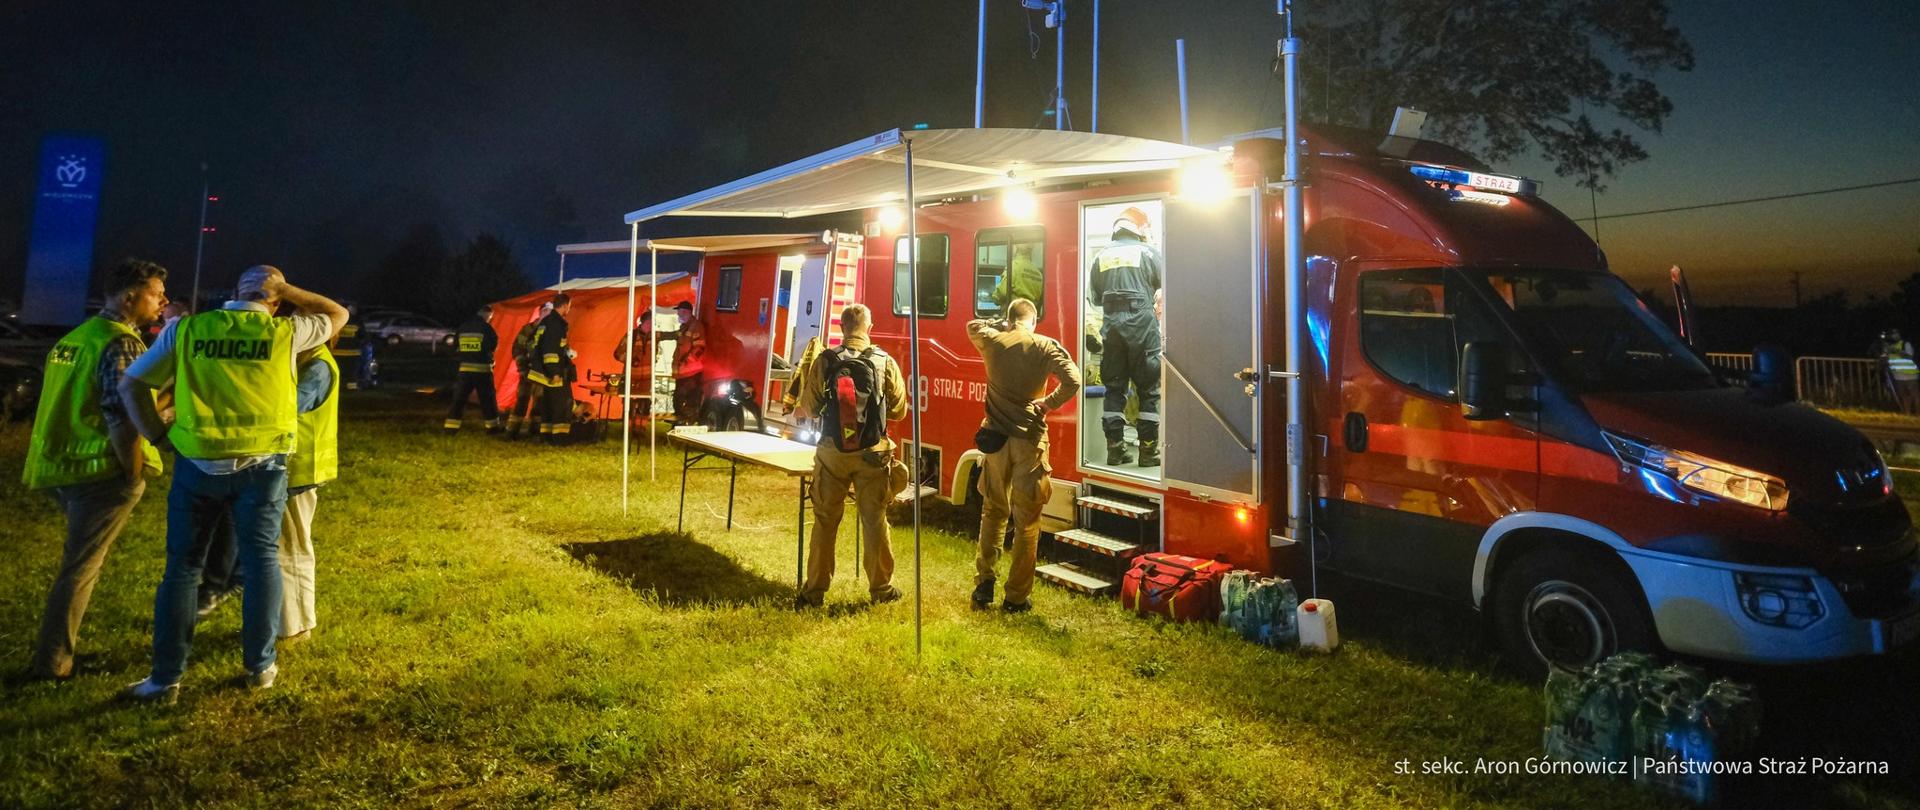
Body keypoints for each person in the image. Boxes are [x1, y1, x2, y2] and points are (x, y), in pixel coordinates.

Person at [117, 265, 346, 702]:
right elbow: (338, 313)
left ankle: (165, 678)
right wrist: (288, 288)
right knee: (261, 564)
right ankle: (260, 667)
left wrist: (159, 436)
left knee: (182, 570)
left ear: (232, 292)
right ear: (274, 301)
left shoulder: (185, 329)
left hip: (197, 465)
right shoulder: (285, 334)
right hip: (262, 468)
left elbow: (132, 385)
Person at [23, 259, 170, 680]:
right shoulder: (121, 343)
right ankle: (53, 664)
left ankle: (55, 657)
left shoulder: (76, 337)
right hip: (100, 473)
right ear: (130, 298)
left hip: (59, 466)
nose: (163, 302)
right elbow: (121, 416)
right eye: (156, 294)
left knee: (78, 562)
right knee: (81, 567)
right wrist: (133, 471)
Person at [965, 298, 1080, 612]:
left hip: (995, 442)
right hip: (1029, 442)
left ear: (1010, 318)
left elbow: (972, 326)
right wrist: (1049, 402)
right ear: (1035, 320)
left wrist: (1003, 326)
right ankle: (1016, 597)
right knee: (1027, 521)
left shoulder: (994, 341)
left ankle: (984, 585)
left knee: (993, 511)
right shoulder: (1045, 346)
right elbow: (1074, 380)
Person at [793, 304, 908, 608]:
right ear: (869, 327)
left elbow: (811, 408)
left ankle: (815, 591)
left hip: (833, 453)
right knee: (875, 521)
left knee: (825, 521)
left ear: (842, 328)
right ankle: (881, 589)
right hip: (872, 454)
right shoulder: (885, 361)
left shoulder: (826, 361)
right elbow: (898, 410)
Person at [1087, 206, 1164, 467]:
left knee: (1114, 390)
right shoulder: (1149, 252)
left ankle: (1115, 450)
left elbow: (1096, 298)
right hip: (1143, 329)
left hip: (1112, 331)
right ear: (1141, 230)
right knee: (1149, 390)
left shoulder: (1100, 257)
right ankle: (1149, 451)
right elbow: (1166, 286)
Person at [279, 343, 339, 639]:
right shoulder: (304, 361)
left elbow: (290, 406)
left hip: (298, 467)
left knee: (291, 547)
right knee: (283, 547)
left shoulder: (316, 366)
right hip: (290, 465)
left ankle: (297, 626)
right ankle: (287, 622)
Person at [526, 294, 577, 444]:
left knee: (548, 404)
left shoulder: (547, 322)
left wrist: (567, 352)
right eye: (569, 305)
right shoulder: (556, 323)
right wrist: (554, 372)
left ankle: (547, 436)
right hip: (554, 372)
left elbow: (548, 345)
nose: (569, 308)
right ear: (565, 305)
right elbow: (550, 350)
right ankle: (559, 438)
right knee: (561, 404)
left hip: (545, 369)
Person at [443, 304, 502, 433]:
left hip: (465, 370)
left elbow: (455, 347)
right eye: (490, 317)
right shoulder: (486, 328)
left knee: (459, 399)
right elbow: (492, 345)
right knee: (487, 400)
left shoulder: (463, 327)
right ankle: (493, 428)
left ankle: (451, 427)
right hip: (482, 370)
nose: (490, 319)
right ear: (487, 314)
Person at [504, 301, 552, 438]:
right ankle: (512, 431)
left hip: (542, 373)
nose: (548, 315)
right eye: (546, 311)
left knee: (540, 402)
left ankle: (535, 430)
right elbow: (517, 349)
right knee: (522, 400)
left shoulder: (551, 331)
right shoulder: (527, 330)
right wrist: (522, 368)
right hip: (527, 371)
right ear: (541, 312)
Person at [668, 300, 707, 423]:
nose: (678, 315)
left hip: (691, 373)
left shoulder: (696, 327)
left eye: (680, 312)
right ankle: (680, 423)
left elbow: (700, 348)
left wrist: (686, 360)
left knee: (686, 399)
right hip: (683, 373)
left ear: (687, 312)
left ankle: (685, 424)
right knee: (678, 398)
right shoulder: (684, 327)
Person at [612, 310, 653, 423]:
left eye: (652, 323)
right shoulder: (632, 335)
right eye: (649, 323)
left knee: (645, 404)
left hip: (646, 380)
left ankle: (640, 430)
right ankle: (627, 429)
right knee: (628, 404)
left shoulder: (654, 337)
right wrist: (630, 360)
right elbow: (617, 353)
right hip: (631, 377)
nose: (651, 326)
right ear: (642, 323)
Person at [1875, 329, 1919, 414]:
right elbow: (1885, 358)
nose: (1894, 336)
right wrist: (1882, 357)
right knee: (1904, 396)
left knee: (1915, 396)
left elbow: (1909, 356)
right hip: (1898, 376)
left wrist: (1895, 351)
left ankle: (1918, 414)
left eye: (1895, 334)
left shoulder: (1905, 344)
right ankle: (1907, 414)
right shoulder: (1888, 347)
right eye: (1892, 334)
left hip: (1910, 375)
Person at [991, 243, 1045, 312]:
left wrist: (995, 298)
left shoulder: (1014, 267)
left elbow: (1002, 292)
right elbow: (1041, 300)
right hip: (1029, 317)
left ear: (1016, 249)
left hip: (1013, 317)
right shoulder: (1038, 273)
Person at [334, 305, 374, 390]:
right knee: (352, 373)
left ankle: (336, 388)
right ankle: (351, 387)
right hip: (353, 353)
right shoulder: (357, 322)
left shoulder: (336, 321)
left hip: (336, 353)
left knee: (336, 371)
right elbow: (364, 337)